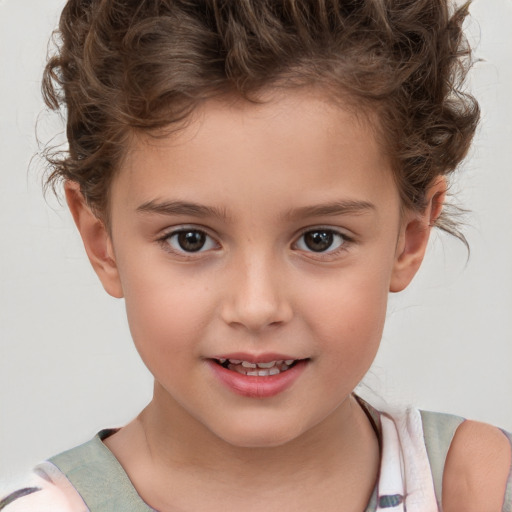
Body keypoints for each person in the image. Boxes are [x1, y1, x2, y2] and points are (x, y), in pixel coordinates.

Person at [1, 0, 511, 511]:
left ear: (411, 237)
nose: (256, 307)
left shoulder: (479, 487)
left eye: (319, 239)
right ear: (100, 239)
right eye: (190, 239)